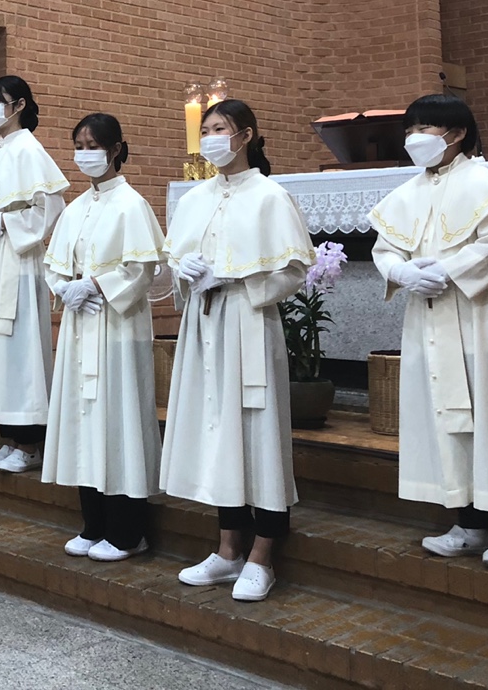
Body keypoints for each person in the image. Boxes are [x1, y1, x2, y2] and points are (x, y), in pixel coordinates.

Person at [370, 94, 488, 571]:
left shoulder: (483, 183)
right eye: (410, 129)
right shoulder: (407, 193)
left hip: (481, 314)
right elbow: (385, 248)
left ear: (456, 134)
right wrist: (401, 272)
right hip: (430, 315)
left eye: (425, 128)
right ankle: (470, 522)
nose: (415, 137)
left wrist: (448, 270)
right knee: (443, 416)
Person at [160, 100, 314, 602]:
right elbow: (172, 266)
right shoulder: (194, 199)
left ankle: (262, 555)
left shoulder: (270, 196)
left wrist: (234, 278)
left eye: (219, 129)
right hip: (203, 323)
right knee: (218, 433)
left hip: (248, 321)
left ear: (245, 135)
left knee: (257, 434)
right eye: (204, 130)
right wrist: (184, 273)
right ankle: (227, 550)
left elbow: (294, 270)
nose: (210, 138)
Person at [43, 113, 166, 562]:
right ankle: (93, 524)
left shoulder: (132, 205)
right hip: (81, 327)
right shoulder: (76, 208)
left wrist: (95, 285)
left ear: (115, 150)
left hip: (117, 328)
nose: (84, 154)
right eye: (78, 146)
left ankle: (129, 532)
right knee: (84, 421)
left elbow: (142, 269)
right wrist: (65, 289)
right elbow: (54, 264)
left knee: (119, 422)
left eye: (92, 145)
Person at [0, 76, 70, 473]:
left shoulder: (30, 150)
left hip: (18, 262)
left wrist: (6, 224)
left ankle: (30, 443)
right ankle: (9, 438)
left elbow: (51, 208)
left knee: (19, 348)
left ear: (19, 105)